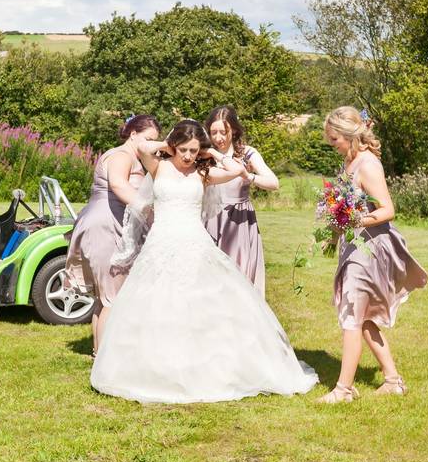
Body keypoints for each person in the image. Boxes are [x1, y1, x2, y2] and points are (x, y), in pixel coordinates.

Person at [90, 120, 318, 403]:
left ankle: (205, 367)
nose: (187, 156)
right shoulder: (159, 166)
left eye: (193, 150)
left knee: (200, 304)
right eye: (183, 150)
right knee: (158, 304)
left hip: (194, 243)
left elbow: (238, 171)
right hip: (161, 244)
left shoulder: (203, 173)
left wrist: (214, 155)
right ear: (175, 146)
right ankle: (156, 368)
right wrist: (169, 145)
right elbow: (144, 146)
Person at [319, 106, 428, 404]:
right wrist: (334, 231)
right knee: (364, 318)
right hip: (354, 246)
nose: (333, 145)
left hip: (369, 251)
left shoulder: (368, 164)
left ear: (348, 135)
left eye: (334, 139)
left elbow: (387, 210)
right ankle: (392, 380)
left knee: (353, 315)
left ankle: (343, 389)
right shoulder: (349, 162)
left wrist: (353, 221)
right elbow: (346, 206)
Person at [64, 114, 161, 356]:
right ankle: (107, 359)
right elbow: (118, 185)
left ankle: (99, 353)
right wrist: (149, 212)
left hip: (110, 224)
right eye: (148, 139)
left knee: (105, 297)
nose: (150, 145)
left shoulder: (135, 158)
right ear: (133, 134)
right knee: (112, 297)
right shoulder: (120, 156)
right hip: (104, 227)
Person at [203, 105, 279, 294]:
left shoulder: (247, 153)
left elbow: (274, 183)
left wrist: (248, 176)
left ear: (234, 130)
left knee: (239, 279)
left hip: (238, 223)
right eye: (213, 132)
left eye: (223, 132)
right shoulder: (204, 155)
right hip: (210, 219)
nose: (218, 138)